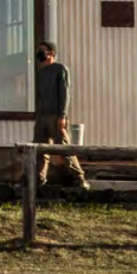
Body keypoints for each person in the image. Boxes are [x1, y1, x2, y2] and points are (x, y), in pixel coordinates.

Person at [33, 40, 87, 188]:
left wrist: (62, 115)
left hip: (56, 116)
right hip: (42, 116)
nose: (40, 54)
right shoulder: (41, 72)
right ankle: (39, 179)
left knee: (64, 149)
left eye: (42, 51)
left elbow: (65, 94)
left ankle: (79, 178)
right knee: (40, 149)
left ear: (51, 53)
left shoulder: (60, 69)